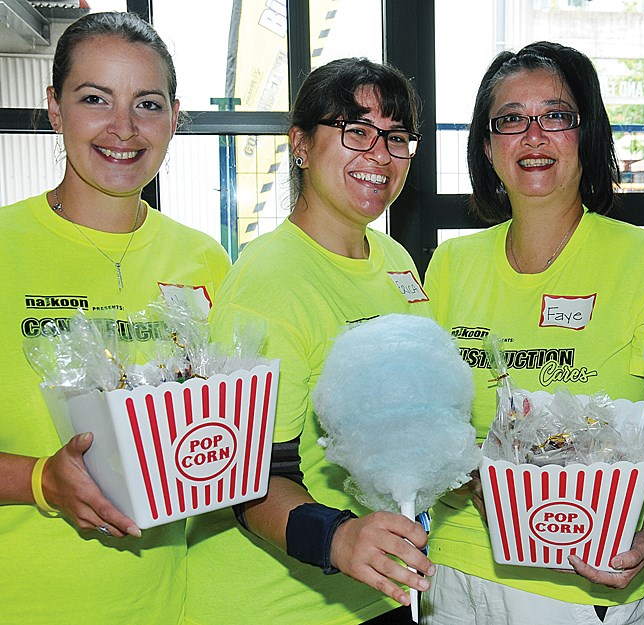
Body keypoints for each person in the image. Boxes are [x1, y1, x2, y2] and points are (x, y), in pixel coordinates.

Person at [421, 41, 644, 625]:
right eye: (510, 120)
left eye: (555, 116)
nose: (533, 136)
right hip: (454, 573)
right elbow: (430, 419)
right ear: (486, 144)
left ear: (588, 133)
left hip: (585, 580)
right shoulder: (452, 264)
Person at [0, 11, 231, 625]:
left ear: (175, 118)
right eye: (95, 98)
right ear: (53, 108)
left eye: (147, 104)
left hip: (169, 604)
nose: (123, 128)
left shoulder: (204, 259)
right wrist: (41, 480)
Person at [185, 57, 434, 625]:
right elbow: (241, 479)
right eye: (355, 131)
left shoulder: (393, 259)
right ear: (299, 142)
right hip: (282, 603)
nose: (378, 154)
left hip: (378, 590)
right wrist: (341, 538)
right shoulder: (270, 279)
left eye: (397, 138)